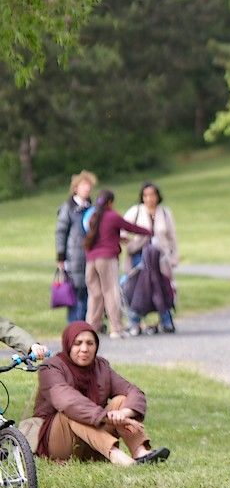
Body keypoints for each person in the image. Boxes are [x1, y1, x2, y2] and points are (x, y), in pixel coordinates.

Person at [22, 321, 170, 466]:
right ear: (68, 344)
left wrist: (124, 413)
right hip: (59, 444)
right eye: (78, 343)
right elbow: (68, 401)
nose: (84, 349)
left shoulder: (101, 366)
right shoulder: (51, 368)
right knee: (72, 412)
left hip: (92, 443)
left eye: (90, 343)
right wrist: (106, 417)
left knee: (121, 400)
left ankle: (140, 452)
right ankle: (117, 456)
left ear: (96, 346)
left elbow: (133, 391)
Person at [84, 190, 151, 338]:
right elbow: (130, 227)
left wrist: (118, 239)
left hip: (90, 260)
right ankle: (116, 328)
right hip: (107, 259)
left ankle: (90, 328)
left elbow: (101, 236)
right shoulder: (112, 216)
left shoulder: (94, 217)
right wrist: (149, 231)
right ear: (110, 202)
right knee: (111, 292)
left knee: (95, 295)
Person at [123, 182, 179, 334]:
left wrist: (174, 256)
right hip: (140, 256)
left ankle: (166, 319)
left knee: (162, 287)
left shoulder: (165, 213)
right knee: (139, 288)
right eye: (146, 195)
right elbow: (122, 228)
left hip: (160, 257)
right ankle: (134, 320)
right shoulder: (136, 211)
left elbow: (172, 237)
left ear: (157, 196)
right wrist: (128, 241)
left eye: (152, 195)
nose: (149, 199)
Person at [55, 170, 97, 322]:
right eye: (84, 185)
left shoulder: (92, 208)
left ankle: (86, 325)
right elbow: (61, 232)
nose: (87, 188)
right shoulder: (68, 208)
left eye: (89, 185)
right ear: (75, 188)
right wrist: (61, 257)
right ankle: (74, 327)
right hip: (74, 257)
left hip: (91, 257)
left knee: (89, 291)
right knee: (75, 293)